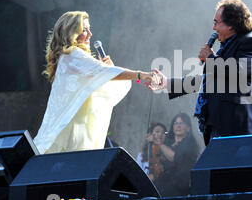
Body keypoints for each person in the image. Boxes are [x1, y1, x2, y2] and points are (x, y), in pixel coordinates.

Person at [33, 11, 158, 154]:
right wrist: (140, 75)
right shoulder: (72, 54)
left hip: (78, 132)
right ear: (71, 32)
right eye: (84, 30)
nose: (90, 34)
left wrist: (109, 70)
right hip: (72, 133)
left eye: (89, 29)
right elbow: (101, 71)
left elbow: (105, 82)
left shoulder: (70, 58)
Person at [147, 0, 252, 146]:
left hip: (237, 127)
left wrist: (210, 57)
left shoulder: (251, 43)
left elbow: (239, 71)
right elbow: (208, 81)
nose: (214, 28)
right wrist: (168, 84)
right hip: (217, 126)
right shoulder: (224, 49)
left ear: (231, 24)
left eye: (216, 22)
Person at [152, 113, 201, 196]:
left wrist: (160, 144)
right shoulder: (168, 144)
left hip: (177, 189)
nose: (178, 126)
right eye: (176, 123)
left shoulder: (190, 145)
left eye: (181, 123)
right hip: (161, 187)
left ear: (188, 128)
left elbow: (174, 157)